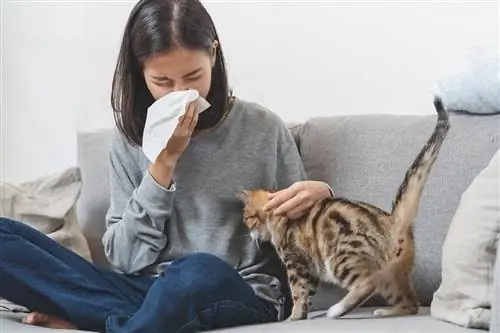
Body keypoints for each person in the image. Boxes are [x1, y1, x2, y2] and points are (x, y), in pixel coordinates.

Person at [0, 0, 334, 332]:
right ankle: (129, 321)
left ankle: (108, 321)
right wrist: (163, 164)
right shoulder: (130, 141)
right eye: (162, 82)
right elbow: (126, 260)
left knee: (196, 270)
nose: (182, 93)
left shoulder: (263, 127)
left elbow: (303, 246)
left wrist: (321, 197)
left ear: (214, 56)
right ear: (140, 72)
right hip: (145, 291)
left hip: (236, 289)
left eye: (193, 76)